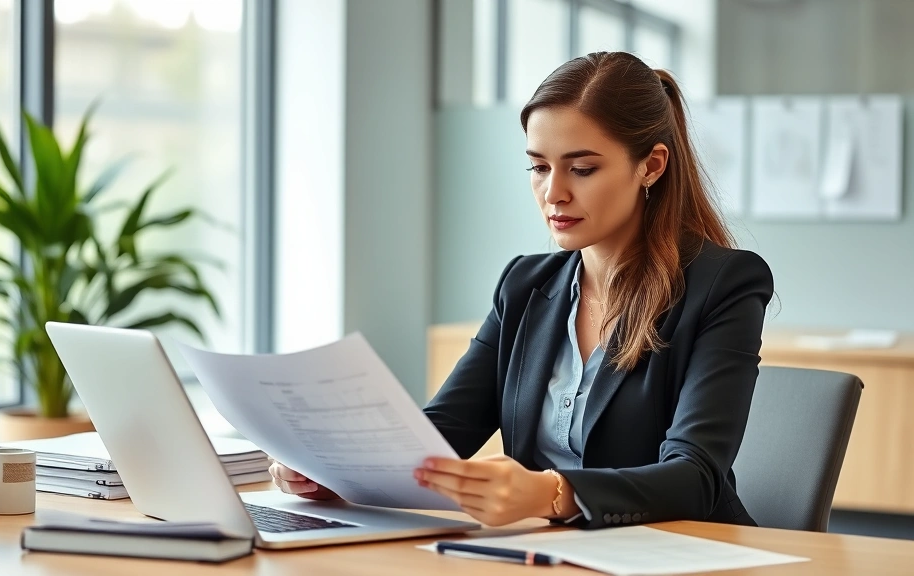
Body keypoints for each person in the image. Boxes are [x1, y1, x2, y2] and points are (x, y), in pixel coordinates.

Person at [268, 51, 774, 529]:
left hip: (688, 555)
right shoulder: (525, 286)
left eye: (582, 168)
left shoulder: (723, 285)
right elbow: (440, 434)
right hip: (545, 553)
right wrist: (332, 469)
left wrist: (551, 493)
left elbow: (695, 477)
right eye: (538, 166)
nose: (554, 192)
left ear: (652, 165)